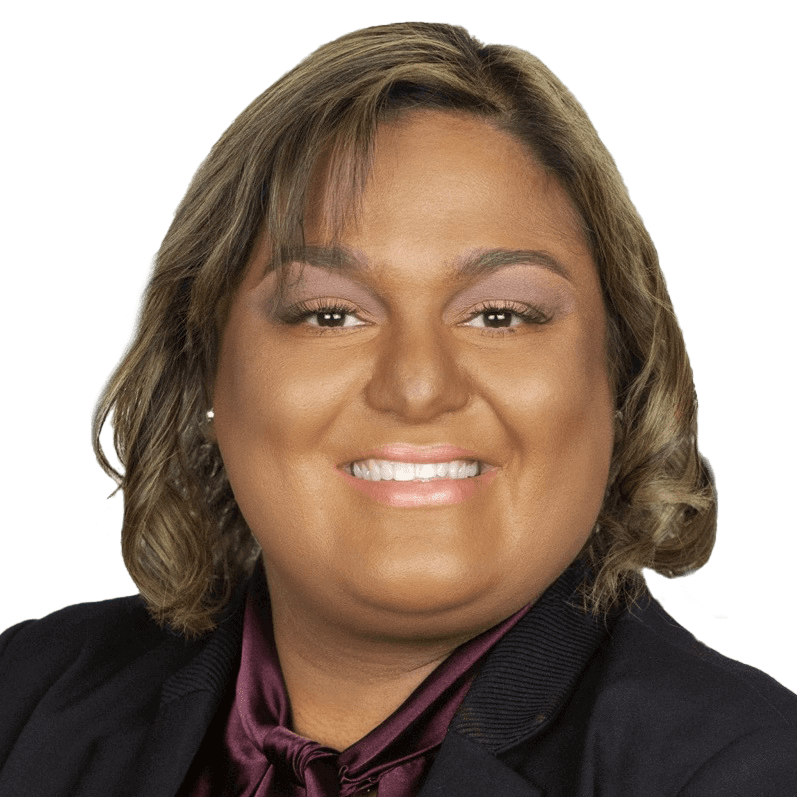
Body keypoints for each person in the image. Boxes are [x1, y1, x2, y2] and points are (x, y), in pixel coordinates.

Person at [1, 21, 794, 797]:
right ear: (204, 369)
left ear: (620, 378)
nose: (417, 386)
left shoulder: (751, 767)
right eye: (328, 314)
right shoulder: (21, 700)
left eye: (500, 314)